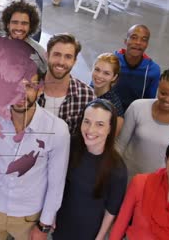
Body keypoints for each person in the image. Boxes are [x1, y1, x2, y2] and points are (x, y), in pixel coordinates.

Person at [0, 69, 70, 240]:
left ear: (40, 89)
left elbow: (56, 183)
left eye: (29, 86)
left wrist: (44, 226)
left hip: (29, 216)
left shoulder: (57, 130)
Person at [52, 99, 127, 239]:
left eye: (100, 124)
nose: (90, 130)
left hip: (88, 231)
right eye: (86, 121)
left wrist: (100, 237)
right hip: (61, 225)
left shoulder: (117, 168)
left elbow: (111, 211)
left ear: (110, 128)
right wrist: (52, 213)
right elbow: (57, 183)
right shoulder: (70, 146)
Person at [117, 68, 169, 176]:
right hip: (126, 174)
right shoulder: (137, 107)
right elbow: (120, 145)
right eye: (163, 93)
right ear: (158, 87)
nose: (167, 99)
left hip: (159, 182)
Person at [39, 33, 96, 134]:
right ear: (47, 56)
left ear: (74, 61)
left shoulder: (87, 96)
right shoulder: (28, 88)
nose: (61, 62)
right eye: (57, 54)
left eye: (68, 57)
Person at [113, 24, 161, 111]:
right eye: (133, 37)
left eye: (144, 39)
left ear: (147, 44)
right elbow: (95, 90)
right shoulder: (110, 62)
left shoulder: (153, 70)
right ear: (125, 41)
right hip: (108, 111)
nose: (138, 42)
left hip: (135, 115)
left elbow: (149, 102)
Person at [0, 0, 47, 72]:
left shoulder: (40, 54)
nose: (19, 28)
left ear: (30, 26)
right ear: (8, 24)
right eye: (15, 22)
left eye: (24, 23)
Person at [91, 53, 124, 135]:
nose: (99, 75)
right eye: (97, 69)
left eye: (106, 73)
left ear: (114, 77)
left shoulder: (114, 106)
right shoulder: (83, 92)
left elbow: (110, 140)